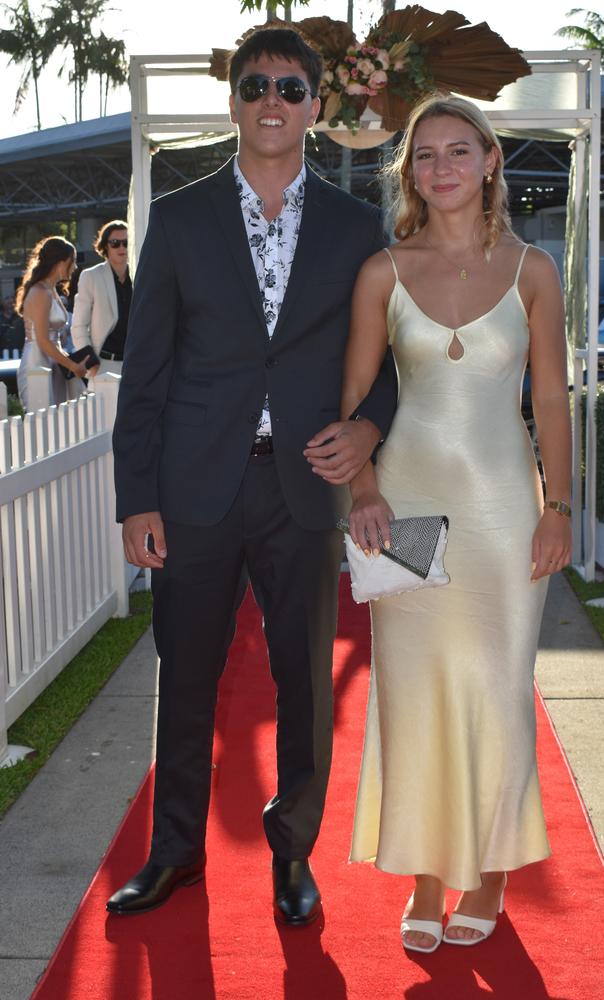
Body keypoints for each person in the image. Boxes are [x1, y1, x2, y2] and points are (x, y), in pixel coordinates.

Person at [109, 27, 397, 923]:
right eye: (255, 85)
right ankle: (174, 853)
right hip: (194, 488)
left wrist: (367, 425)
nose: (272, 101)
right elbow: (145, 369)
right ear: (234, 100)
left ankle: (293, 855)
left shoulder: (357, 228)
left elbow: (389, 360)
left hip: (303, 486)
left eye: (290, 87)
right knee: (186, 674)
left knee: (306, 678)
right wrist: (137, 498)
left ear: (317, 106)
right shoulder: (184, 217)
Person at [339, 95, 572, 954]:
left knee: (499, 691)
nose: (442, 166)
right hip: (406, 508)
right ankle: (429, 879)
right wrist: (361, 488)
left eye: (458, 150)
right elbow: (355, 400)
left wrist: (558, 505)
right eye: (425, 155)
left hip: (507, 511)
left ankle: (496, 870)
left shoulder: (533, 269)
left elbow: (549, 397)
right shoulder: (382, 272)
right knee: (414, 692)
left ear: (489, 161)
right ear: (410, 174)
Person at [15, 237, 88, 411]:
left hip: (54, 362)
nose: (75, 267)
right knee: (42, 423)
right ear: (61, 263)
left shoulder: (50, 290)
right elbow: (42, 340)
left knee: (56, 424)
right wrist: (73, 366)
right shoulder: (41, 292)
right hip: (37, 363)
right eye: (73, 261)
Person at [71, 220, 131, 376]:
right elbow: (78, 325)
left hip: (136, 363)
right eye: (115, 243)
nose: (121, 247)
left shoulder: (140, 275)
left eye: (126, 242)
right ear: (105, 245)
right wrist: (90, 360)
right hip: (103, 365)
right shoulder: (91, 276)